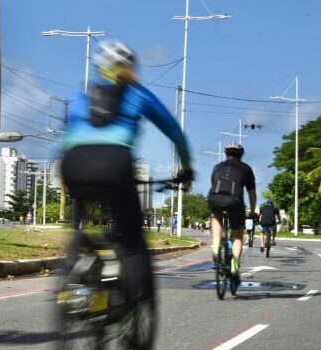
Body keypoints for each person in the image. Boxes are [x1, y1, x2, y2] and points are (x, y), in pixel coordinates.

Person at [60, 39, 194, 336]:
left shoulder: (80, 96)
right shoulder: (137, 94)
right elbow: (174, 132)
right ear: (131, 68)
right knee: (133, 243)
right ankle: (133, 305)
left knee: (81, 223)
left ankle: (74, 271)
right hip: (115, 164)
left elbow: (67, 134)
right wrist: (186, 168)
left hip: (73, 163)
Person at [207, 143, 257, 285]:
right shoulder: (246, 168)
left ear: (226, 154)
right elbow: (252, 194)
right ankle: (234, 266)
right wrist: (253, 212)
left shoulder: (217, 167)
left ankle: (216, 245)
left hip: (214, 198)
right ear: (241, 155)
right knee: (237, 235)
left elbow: (214, 184)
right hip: (235, 201)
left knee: (216, 217)